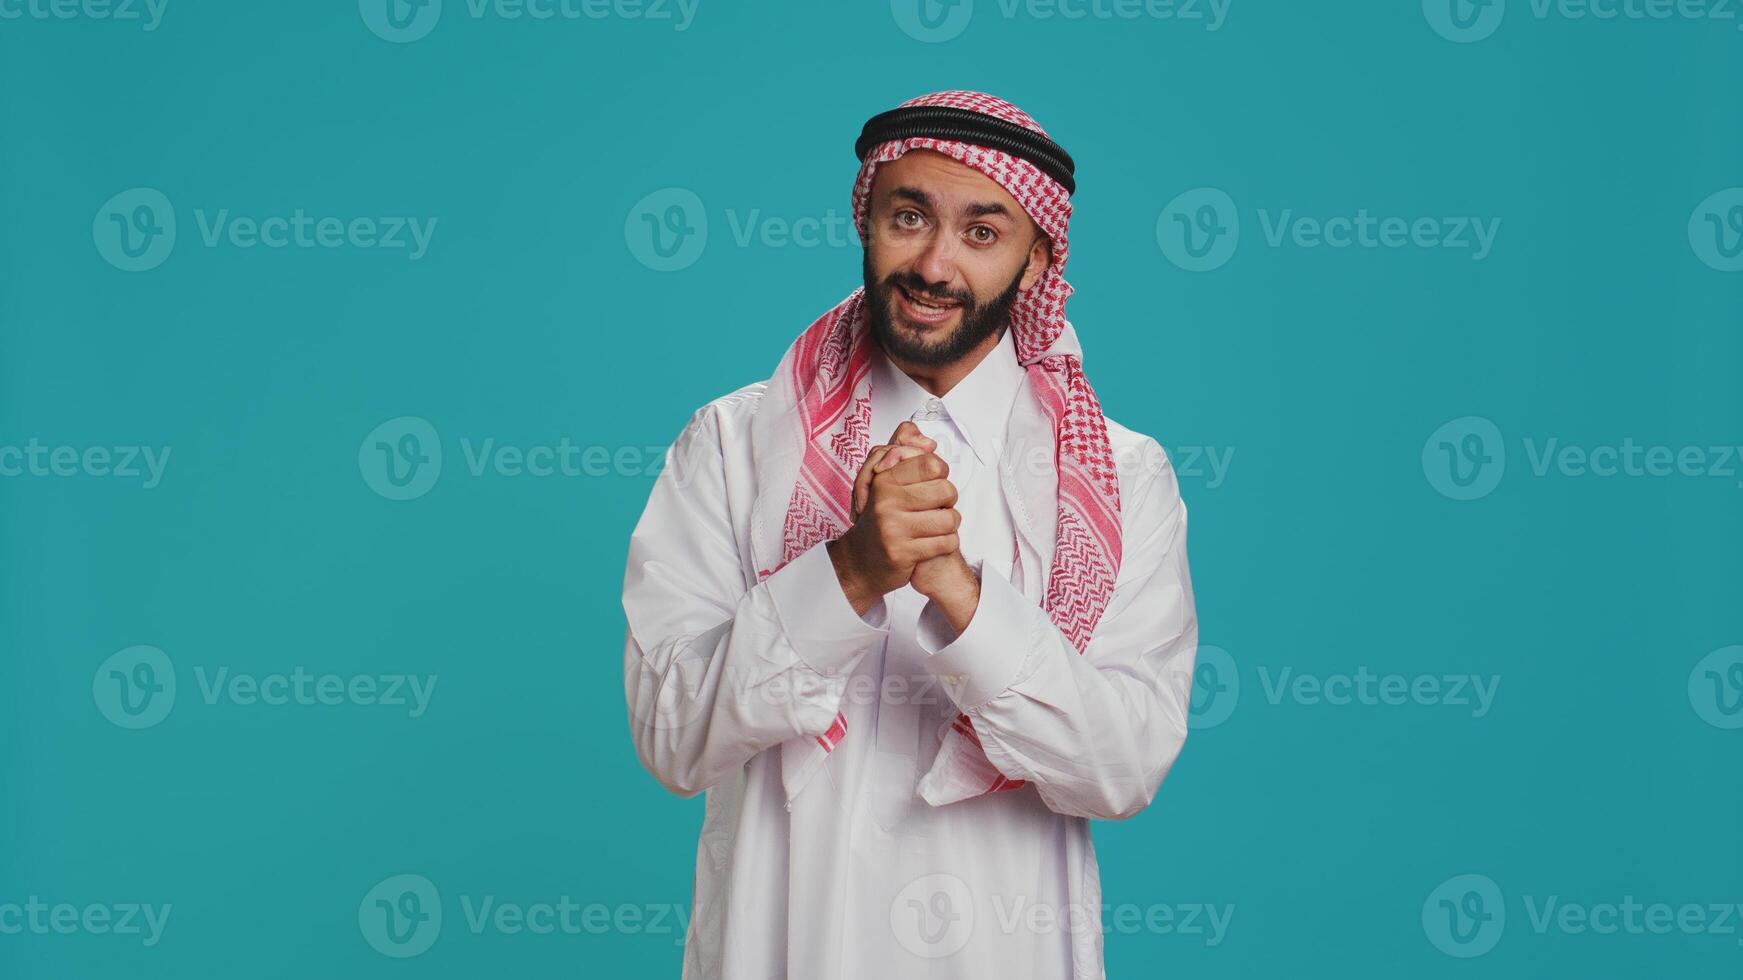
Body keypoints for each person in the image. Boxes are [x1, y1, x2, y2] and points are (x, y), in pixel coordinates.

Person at [621, 89, 1199, 979]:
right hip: (779, 946)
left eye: (981, 232)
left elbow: (1119, 771)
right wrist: (848, 570)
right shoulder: (733, 444)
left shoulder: (1121, 479)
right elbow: (673, 739)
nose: (933, 264)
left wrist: (964, 599)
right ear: (867, 219)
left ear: (1036, 258)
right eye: (908, 217)